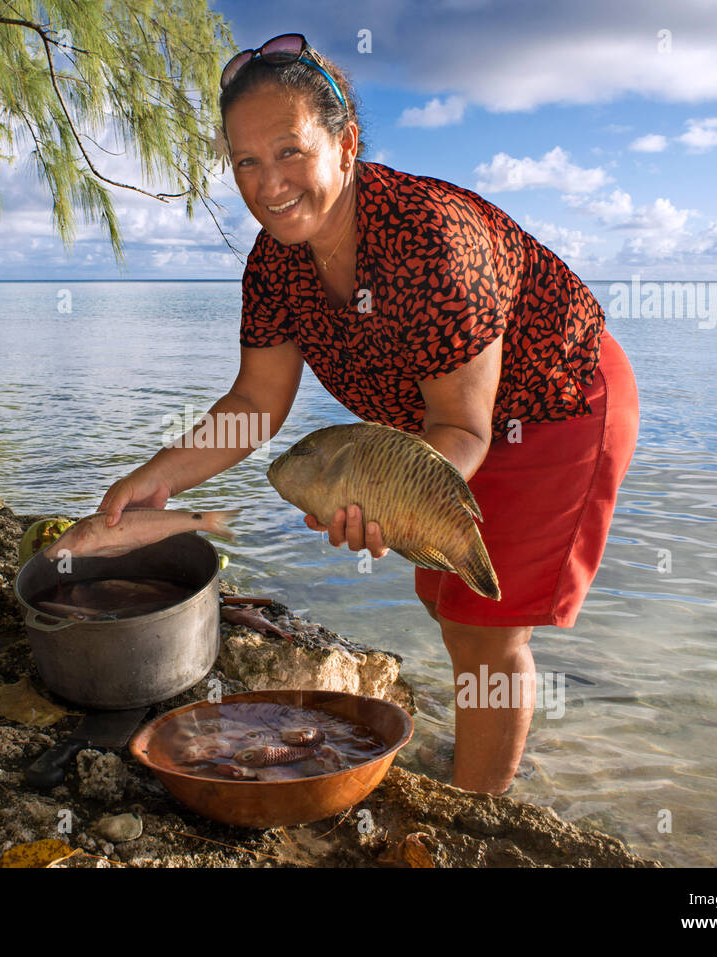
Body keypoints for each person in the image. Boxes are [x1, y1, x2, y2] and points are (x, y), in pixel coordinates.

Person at [98, 34, 639, 795]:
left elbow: (464, 427)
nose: (268, 182)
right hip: (434, 429)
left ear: (346, 143)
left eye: (290, 151)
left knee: (486, 624)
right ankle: (479, 760)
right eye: (246, 161)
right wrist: (156, 479)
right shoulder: (277, 259)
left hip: (554, 403)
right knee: (447, 603)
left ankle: (478, 806)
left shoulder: (434, 238)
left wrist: (382, 496)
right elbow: (254, 404)